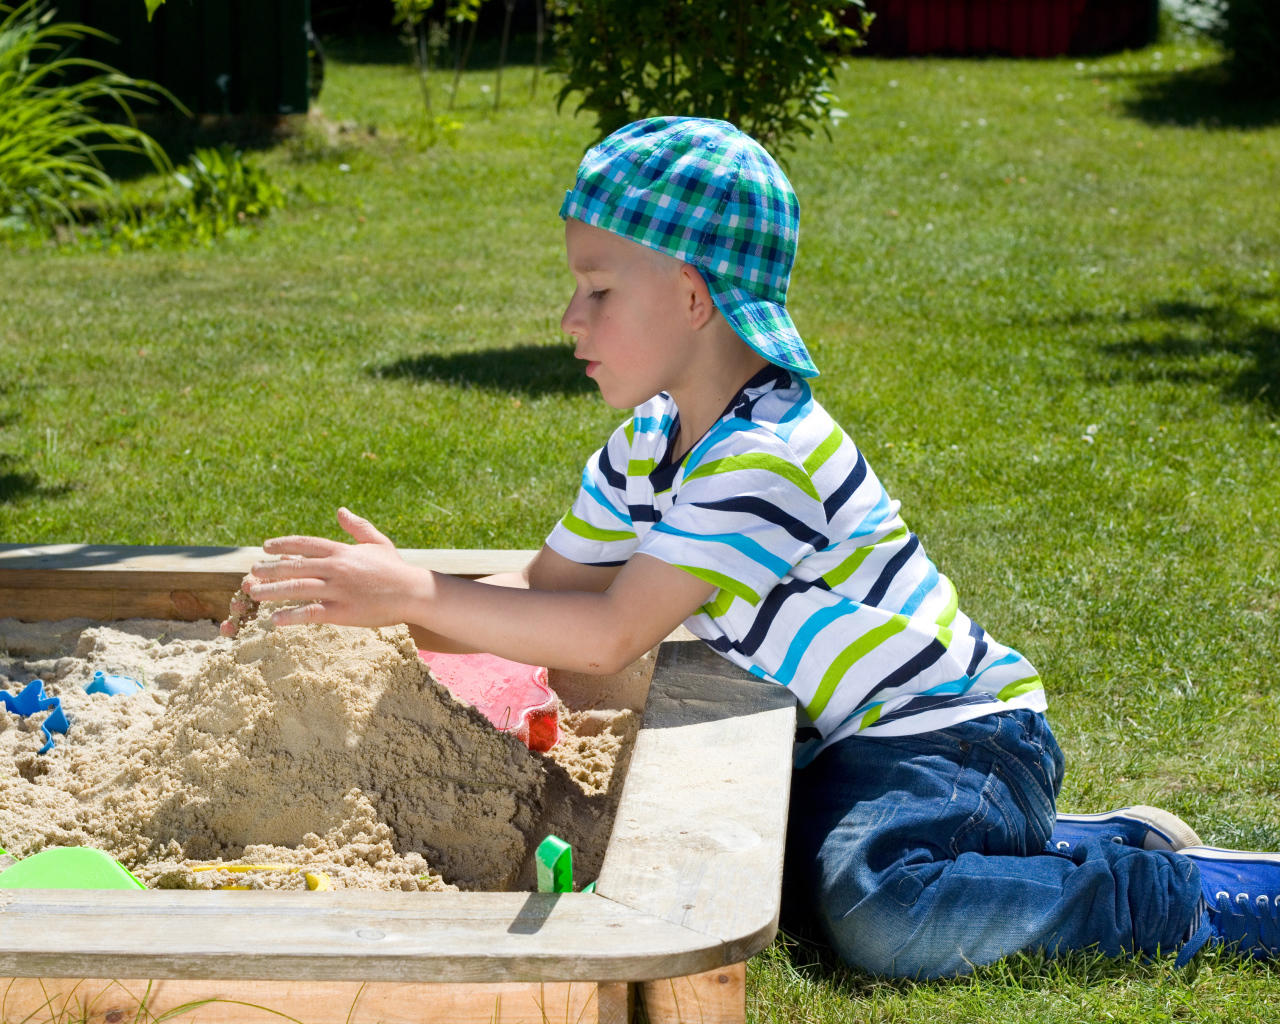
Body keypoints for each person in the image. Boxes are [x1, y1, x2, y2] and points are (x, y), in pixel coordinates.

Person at [247, 116, 1280, 978]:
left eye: (599, 289)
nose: (568, 318)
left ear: (692, 298)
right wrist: (396, 600)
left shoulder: (764, 454)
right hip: (838, 747)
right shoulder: (648, 442)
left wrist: (418, 589)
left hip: (949, 737)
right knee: (751, 879)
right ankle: (1083, 842)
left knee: (877, 912)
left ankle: (1183, 896)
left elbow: (606, 631)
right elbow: (547, 587)